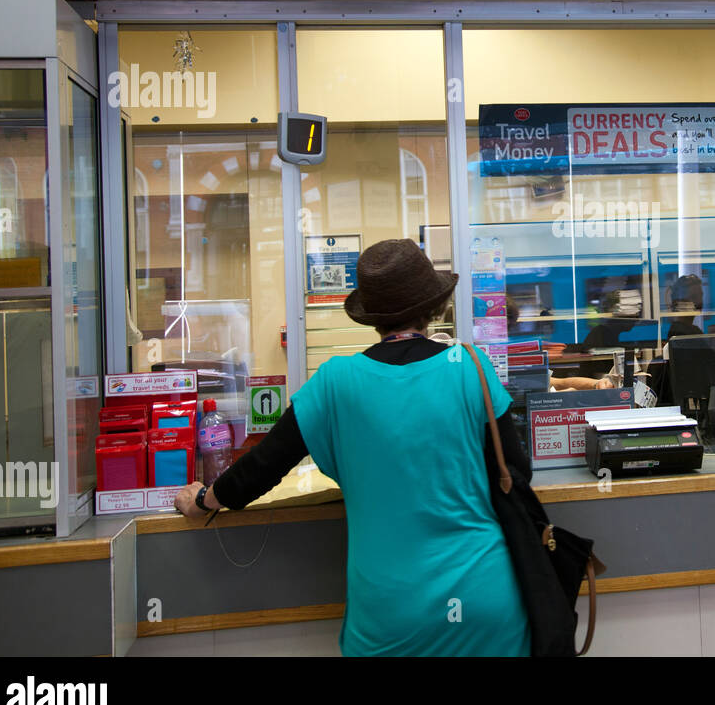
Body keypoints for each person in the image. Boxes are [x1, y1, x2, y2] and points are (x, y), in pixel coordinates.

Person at [174, 239, 531, 657]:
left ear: (372, 316)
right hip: (486, 599)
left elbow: (263, 466)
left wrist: (204, 499)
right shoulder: (471, 367)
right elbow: (517, 471)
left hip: (392, 615)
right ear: (433, 307)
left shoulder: (335, 381)